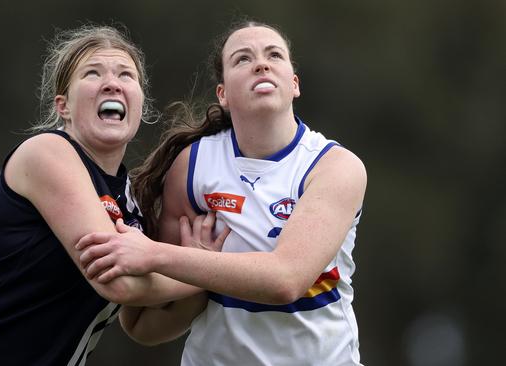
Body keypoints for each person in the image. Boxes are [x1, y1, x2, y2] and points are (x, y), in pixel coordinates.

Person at [0, 25, 217, 366]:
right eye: (92, 73)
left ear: (141, 104)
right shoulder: (47, 153)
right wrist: (204, 268)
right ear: (63, 105)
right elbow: (116, 282)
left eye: (126, 75)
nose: (112, 83)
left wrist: (204, 278)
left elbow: (145, 327)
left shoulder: (130, 205)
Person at [76, 20, 367, 365]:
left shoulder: (334, 166)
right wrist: (197, 275)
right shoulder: (193, 166)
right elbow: (143, 326)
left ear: (294, 84)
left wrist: (157, 255)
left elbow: (285, 279)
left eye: (274, 55)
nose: (261, 63)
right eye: (242, 59)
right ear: (223, 94)